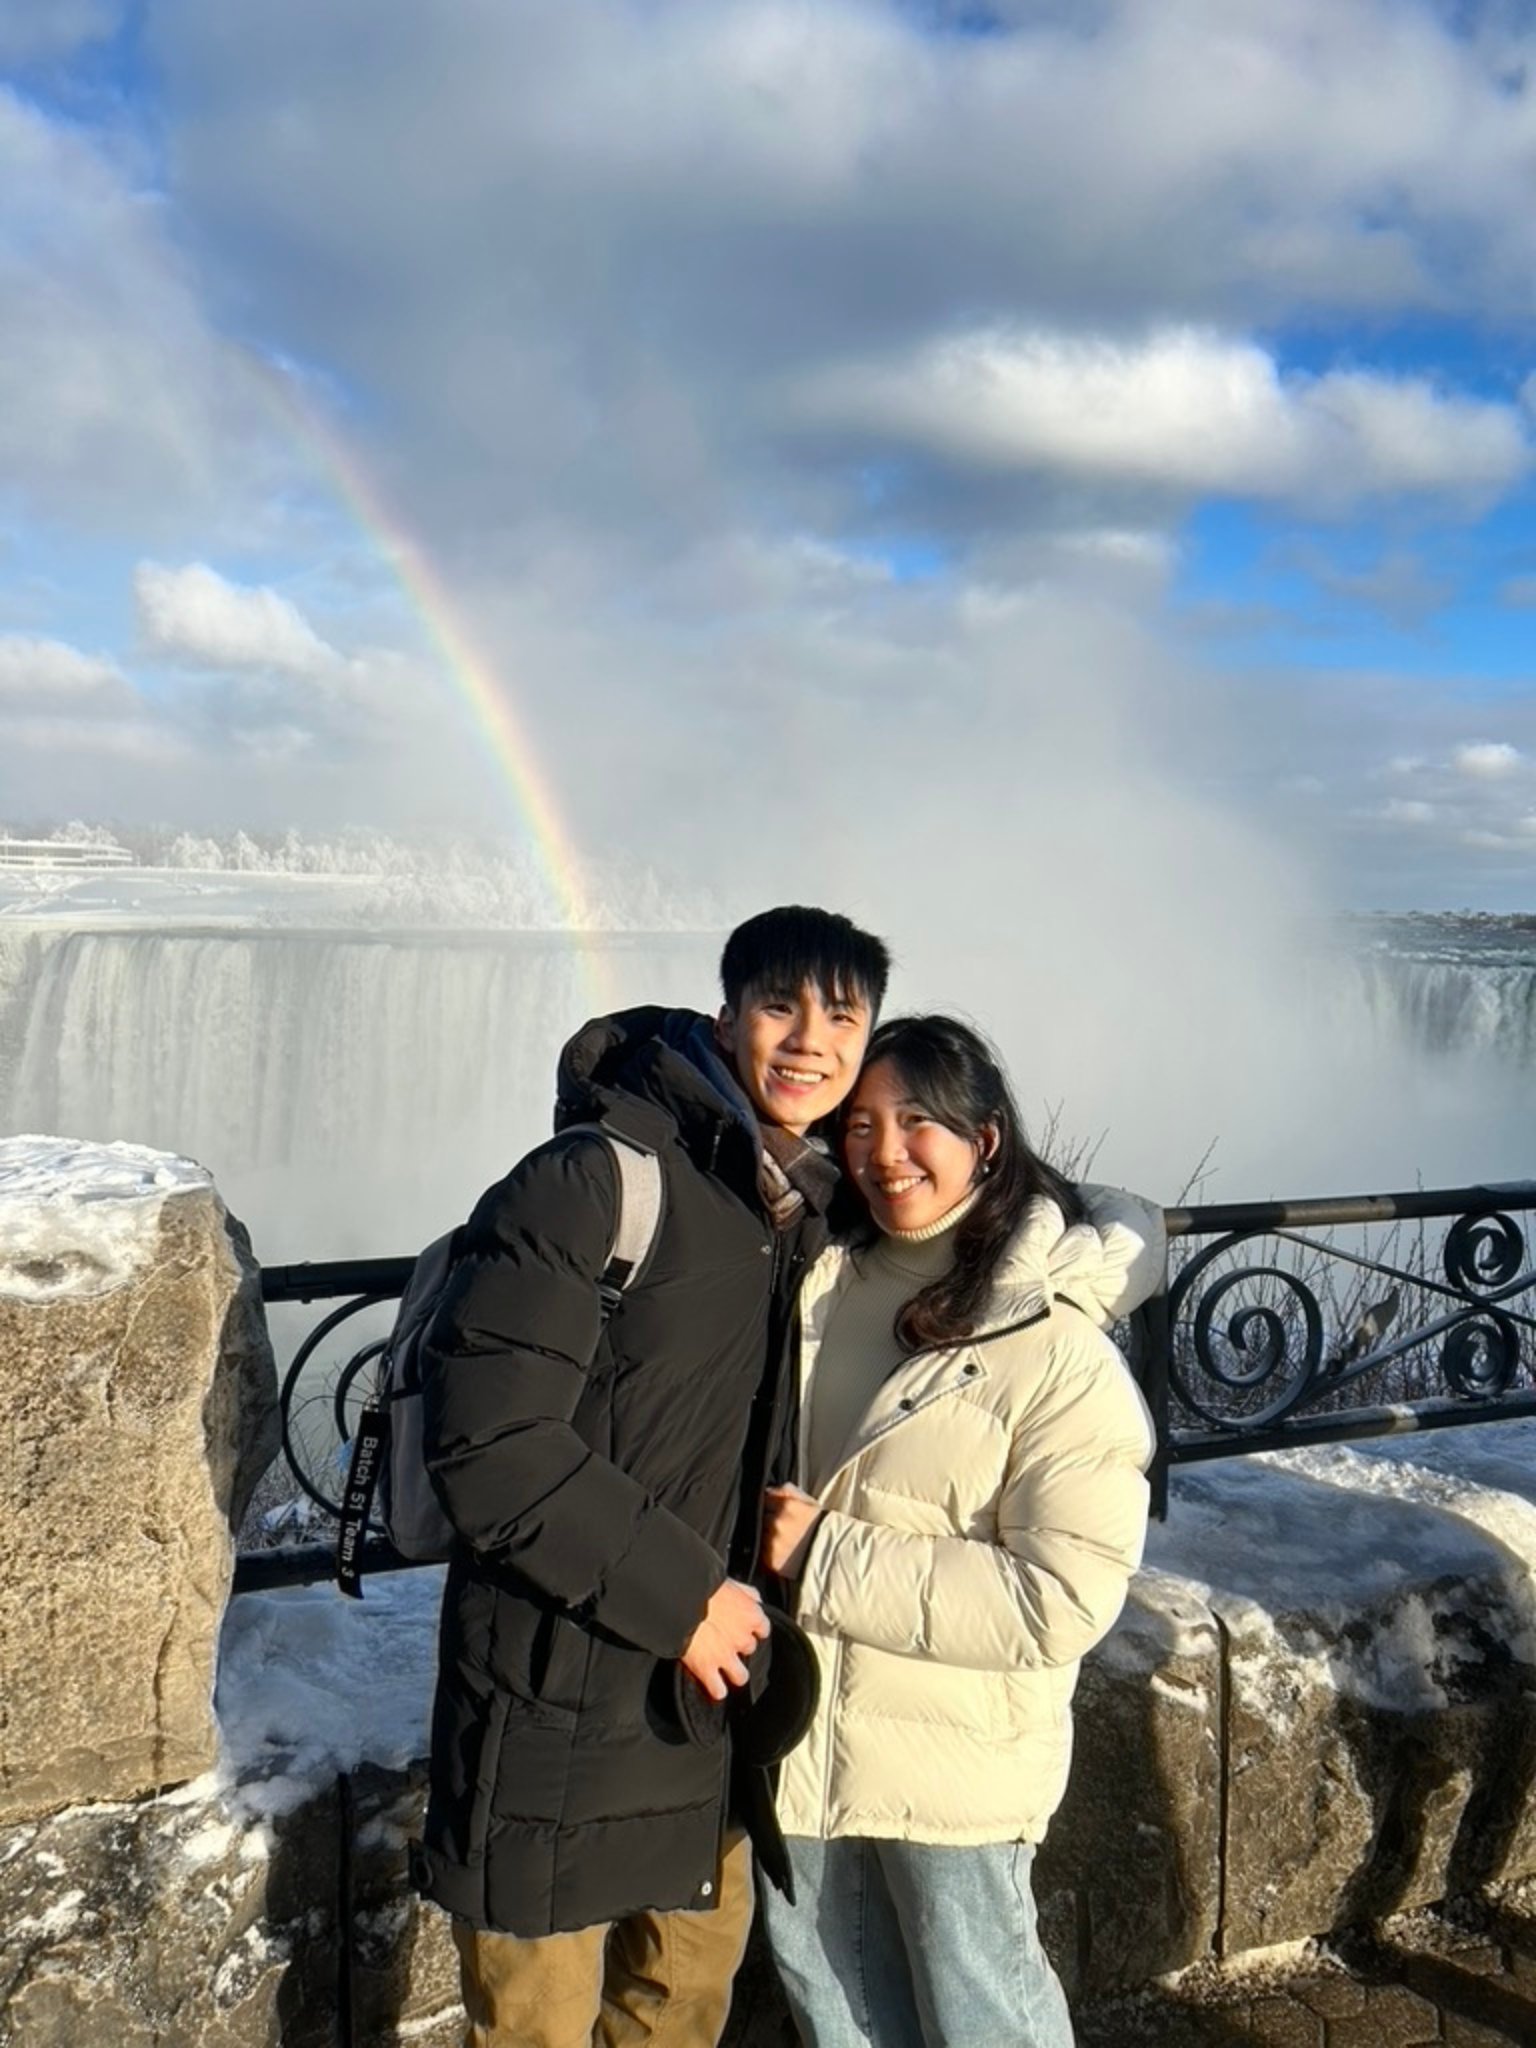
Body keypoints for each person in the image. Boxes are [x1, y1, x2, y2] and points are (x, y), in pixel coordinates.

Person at [411, 905, 891, 2048]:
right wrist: (686, 1600)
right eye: (781, 1004)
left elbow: (980, 1194)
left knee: (678, 2017)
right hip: (553, 1706)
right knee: (536, 2028)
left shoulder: (804, 1205)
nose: (810, 1039)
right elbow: (490, 1440)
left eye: (843, 1015)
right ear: (725, 1019)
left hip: (703, 1719)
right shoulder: (593, 1180)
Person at [759, 1014, 1163, 2048]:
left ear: (986, 1138)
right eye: (860, 1124)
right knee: (837, 2010)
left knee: (984, 2013)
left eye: (918, 1122)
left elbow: (1058, 1597)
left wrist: (824, 1556)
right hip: (801, 1741)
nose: (883, 1153)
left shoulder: (1055, 1346)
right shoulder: (820, 1277)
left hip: (953, 1761)